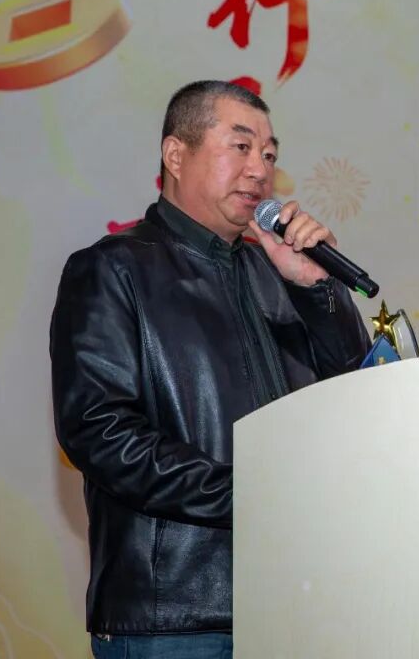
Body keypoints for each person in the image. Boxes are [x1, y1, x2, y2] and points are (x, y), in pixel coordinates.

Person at [50, 80, 371, 659]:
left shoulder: (280, 273)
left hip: (290, 602)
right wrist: (250, 494)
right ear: (176, 155)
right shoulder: (112, 270)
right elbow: (101, 433)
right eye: (241, 147)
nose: (260, 170)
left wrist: (318, 288)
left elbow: (356, 397)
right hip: (176, 617)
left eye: (269, 154)